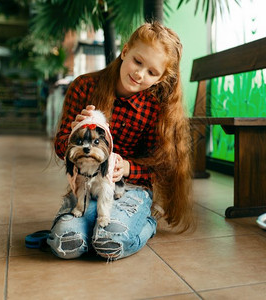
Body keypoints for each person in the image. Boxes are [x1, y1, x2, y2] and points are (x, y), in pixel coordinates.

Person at [47, 22, 194, 260]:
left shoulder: (157, 107)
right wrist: (75, 132)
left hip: (132, 187)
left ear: (160, 79)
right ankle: (90, 219)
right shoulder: (84, 86)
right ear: (125, 51)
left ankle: (147, 220)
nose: (139, 74)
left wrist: (126, 167)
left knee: (108, 242)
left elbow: (161, 167)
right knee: (67, 243)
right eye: (137, 61)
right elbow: (60, 146)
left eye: (151, 72)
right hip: (90, 182)